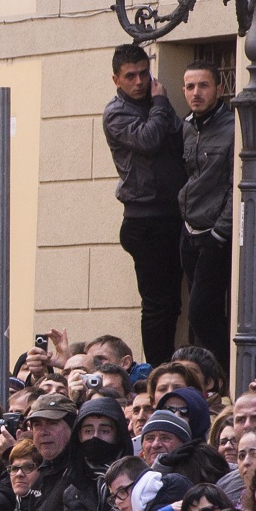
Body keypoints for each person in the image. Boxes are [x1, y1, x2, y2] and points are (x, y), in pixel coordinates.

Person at [101, 44, 185, 364]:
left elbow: (177, 136)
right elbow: (149, 139)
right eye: (130, 76)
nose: (139, 81)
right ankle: (157, 371)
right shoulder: (117, 113)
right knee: (156, 306)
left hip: (171, 215)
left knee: (172, 304)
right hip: (144, 221)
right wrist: (161, 101)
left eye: (143, 74)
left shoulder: (154, 104)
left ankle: (168, 366)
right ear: (116, 80)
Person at [179, 60, 233, 366]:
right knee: (199, 315)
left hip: (215, 234)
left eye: (203, 85)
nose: (196, 92)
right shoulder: (186, 127)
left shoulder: (232, 127)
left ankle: (224, 374)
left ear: (219, 89)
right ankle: (206, 376)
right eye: (189, 86)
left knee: (202, 311)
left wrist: (220, 231)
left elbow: (233, 184)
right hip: (189, 231)